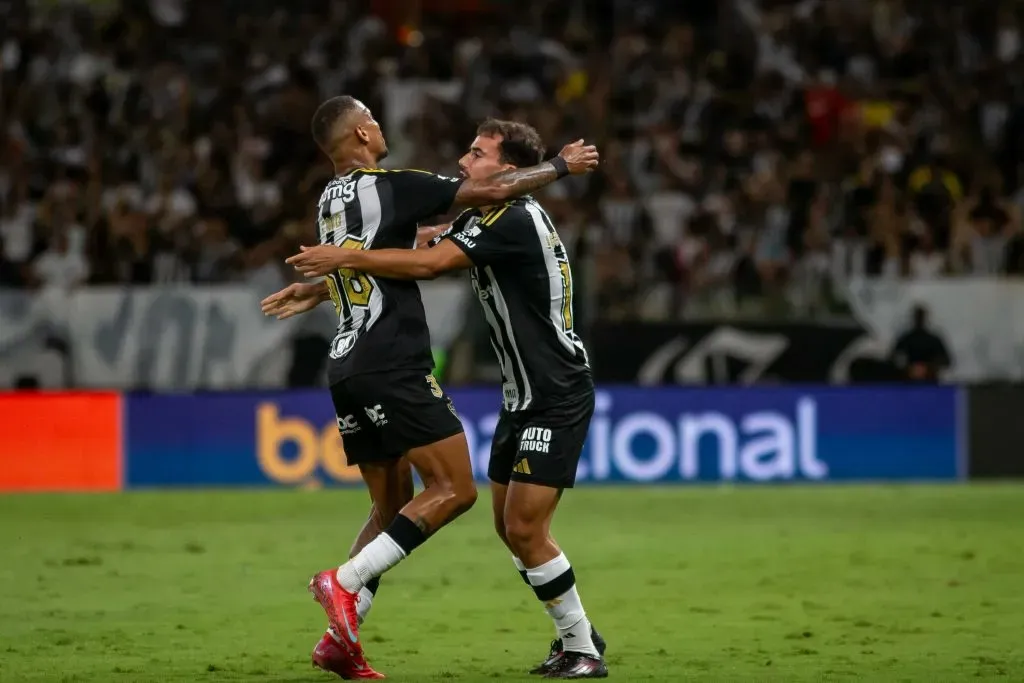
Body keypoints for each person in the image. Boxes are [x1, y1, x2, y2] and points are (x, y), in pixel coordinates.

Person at [260, 97, 599, 679]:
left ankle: (583, 648)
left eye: (478, 153)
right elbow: (411, 251)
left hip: (557, 390)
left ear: (509, 170)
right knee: (507, 527)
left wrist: (563, 164)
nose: (464, 161)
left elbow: (428, 264)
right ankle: (573, 640)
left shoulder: (514, 217)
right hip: (518, 397)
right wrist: (322, 289)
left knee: (520, 526)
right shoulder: (480, 220)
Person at [889, 304, 953, 383]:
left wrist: (928, 367)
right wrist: (909, 368)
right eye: (917, 317)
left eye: (920, 317)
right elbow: (892, 359)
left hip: (930, 382)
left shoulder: (934, 340)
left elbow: (947, 361)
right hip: (908, 384)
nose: (919, 319)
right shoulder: (905, 339)